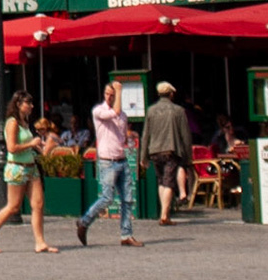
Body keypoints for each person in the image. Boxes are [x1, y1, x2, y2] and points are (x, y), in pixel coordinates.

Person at [0, 90, 56, 255]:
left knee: (38, 204)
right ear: (18, 104)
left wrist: (41, 147)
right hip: (17, 168)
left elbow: (29, 144)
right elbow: (12, 148)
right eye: (28, 103)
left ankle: (40, 242)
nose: (31, 106)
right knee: (13, 206)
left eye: (31, 103)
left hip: (31, 167)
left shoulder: (25, 122)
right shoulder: (12, 122)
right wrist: (31, 144)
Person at [75, 81, 141, 248]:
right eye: (107, 94)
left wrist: (129, 139)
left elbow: (122, 134)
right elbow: (114, 112)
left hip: (121, 159)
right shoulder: (99, 111)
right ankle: (84, 221)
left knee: (127, 199)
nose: (110, 97)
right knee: (107, 198)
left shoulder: (123, 116)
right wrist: (118, 90)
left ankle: (126, 234)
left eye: (113, 95)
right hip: (107, 161)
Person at [142, 81, 191, 227]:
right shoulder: (178, 110)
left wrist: (143, 156)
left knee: (161, 181)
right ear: (171, 94)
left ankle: (164, 213)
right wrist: (188, 156)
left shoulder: (151, 110)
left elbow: (146, 135)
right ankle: (164, 215)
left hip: (154, 151)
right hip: (170, 150)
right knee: (169, 181)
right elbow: (186, 135)